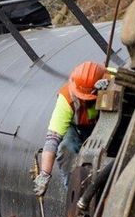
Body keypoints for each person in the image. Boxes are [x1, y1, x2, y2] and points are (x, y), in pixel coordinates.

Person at [33, 61, 108, 196]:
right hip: (76, 130)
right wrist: (44, 175)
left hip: (105, 125)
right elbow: (52, 140)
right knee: (67, 148)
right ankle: (74, 194)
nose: (84, 100)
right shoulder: (67, 98)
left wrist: (116, 87)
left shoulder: (111, 79)